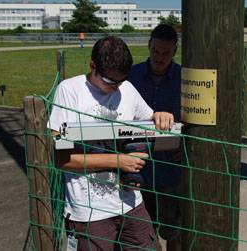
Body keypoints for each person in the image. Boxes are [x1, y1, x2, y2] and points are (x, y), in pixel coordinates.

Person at [48, 36, 174, 251]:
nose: (116, 88)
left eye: (121, 81)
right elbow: (60, 158)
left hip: (131, 202)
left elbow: (150, 121)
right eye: (109, 81)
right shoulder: (69, 91)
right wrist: (118, 161)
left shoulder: (127, 89)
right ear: (92, 66)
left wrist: (160, 117)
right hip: (89, 213)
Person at [128, 24, 182, 249]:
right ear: (149, 47)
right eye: (156, 51)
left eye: (166, 53)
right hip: (137, 164)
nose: (160, 57)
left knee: (176, 229)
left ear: (174, 51)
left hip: (172, 164)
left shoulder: (185, 77)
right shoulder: (131, 75)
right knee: (142, 229)